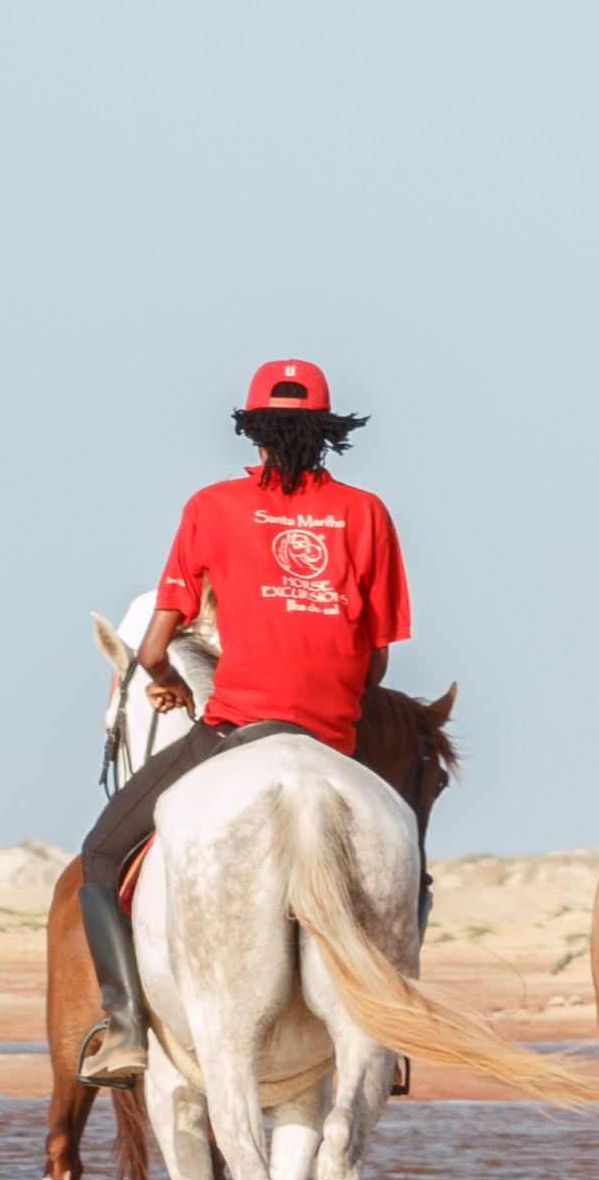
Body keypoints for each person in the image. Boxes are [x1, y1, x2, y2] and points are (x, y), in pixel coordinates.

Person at [69, 360, 409, 1087]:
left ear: (252, 432)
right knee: (408, 858)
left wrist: (167, 685)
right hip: (332, 737)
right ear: (329, 434)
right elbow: (375, 663)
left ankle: (125, 1026)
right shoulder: (367, 514)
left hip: (235, 728)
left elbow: (153, 650)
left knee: (99, 855)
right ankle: (392, 1028)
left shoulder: (211, 506)